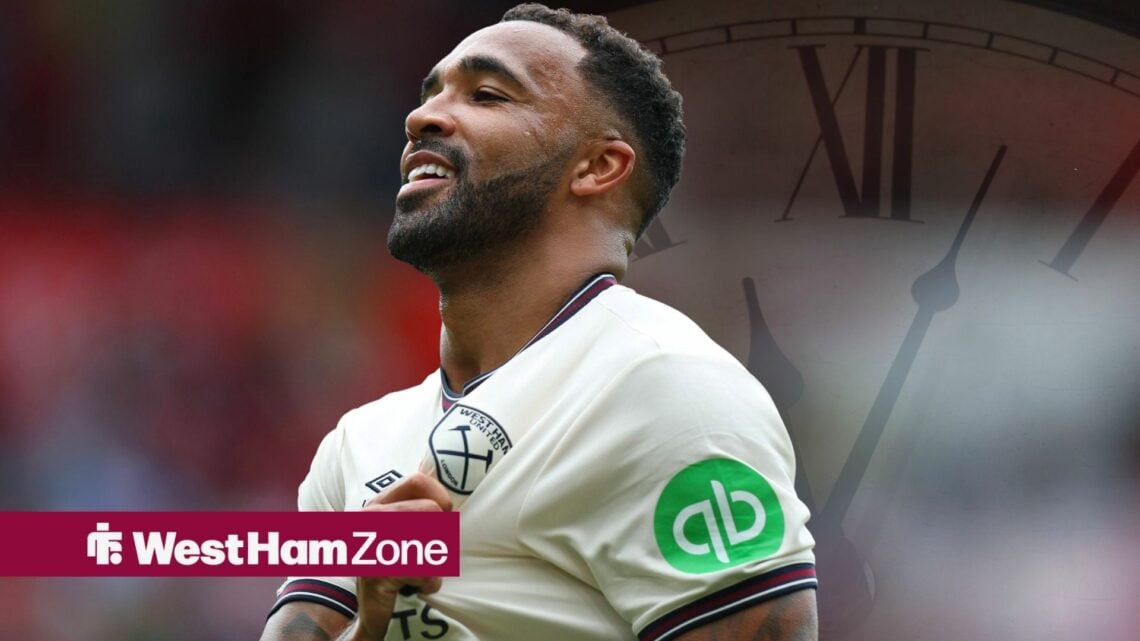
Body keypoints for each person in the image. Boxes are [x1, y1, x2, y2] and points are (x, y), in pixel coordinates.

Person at [259, 4, 817, 640]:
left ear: (597, 167)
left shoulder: (661, 389)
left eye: (487, 94)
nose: (421, 117)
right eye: (430, 93)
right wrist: (373, 623)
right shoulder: (358, 444)